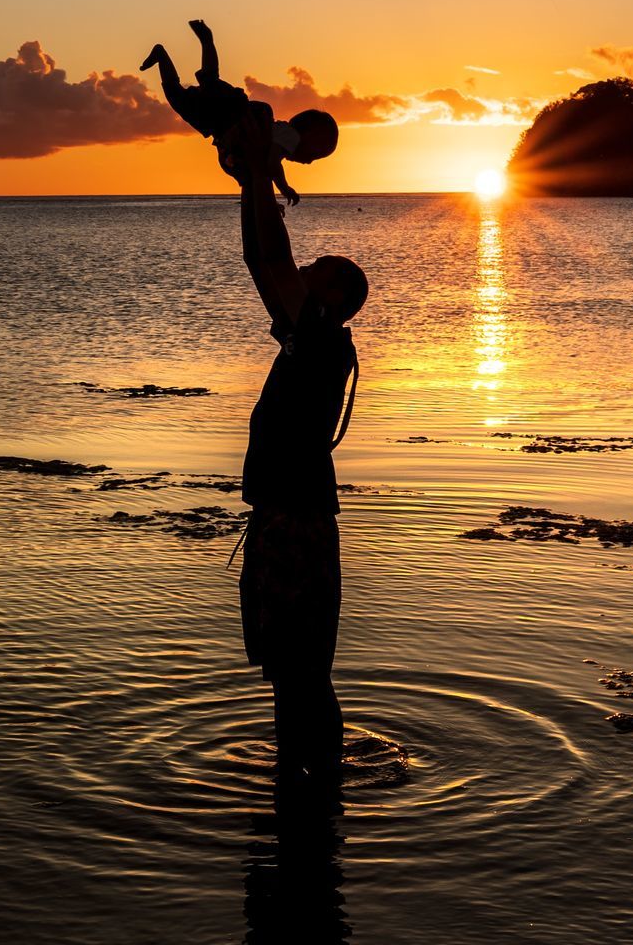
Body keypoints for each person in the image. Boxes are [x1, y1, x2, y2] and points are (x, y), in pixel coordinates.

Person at [222, 108, 367, 793]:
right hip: (288, 516)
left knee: (302, 669)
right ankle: (301, 788)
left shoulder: (318, 337)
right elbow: (263, 258)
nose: (305, 267)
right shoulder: (309, 336)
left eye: (320, 267)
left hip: (297, 523)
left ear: (332, 297)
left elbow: (271, 258)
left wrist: (257, 175)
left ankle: (316, 785)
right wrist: (252, 182)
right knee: (291, 668)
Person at [141, 19, 338, 205]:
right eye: (315, 154)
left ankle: (166, 54)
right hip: (230, 116)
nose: (310, 162)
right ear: (309, 135)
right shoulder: (289, 137)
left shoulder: (280, 137)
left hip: (221, 122)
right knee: (201, 84)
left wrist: (264, 200)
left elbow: (256, 170)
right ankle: (204, 42)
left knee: (193, 90)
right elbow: (272, 165)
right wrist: (285, 188)